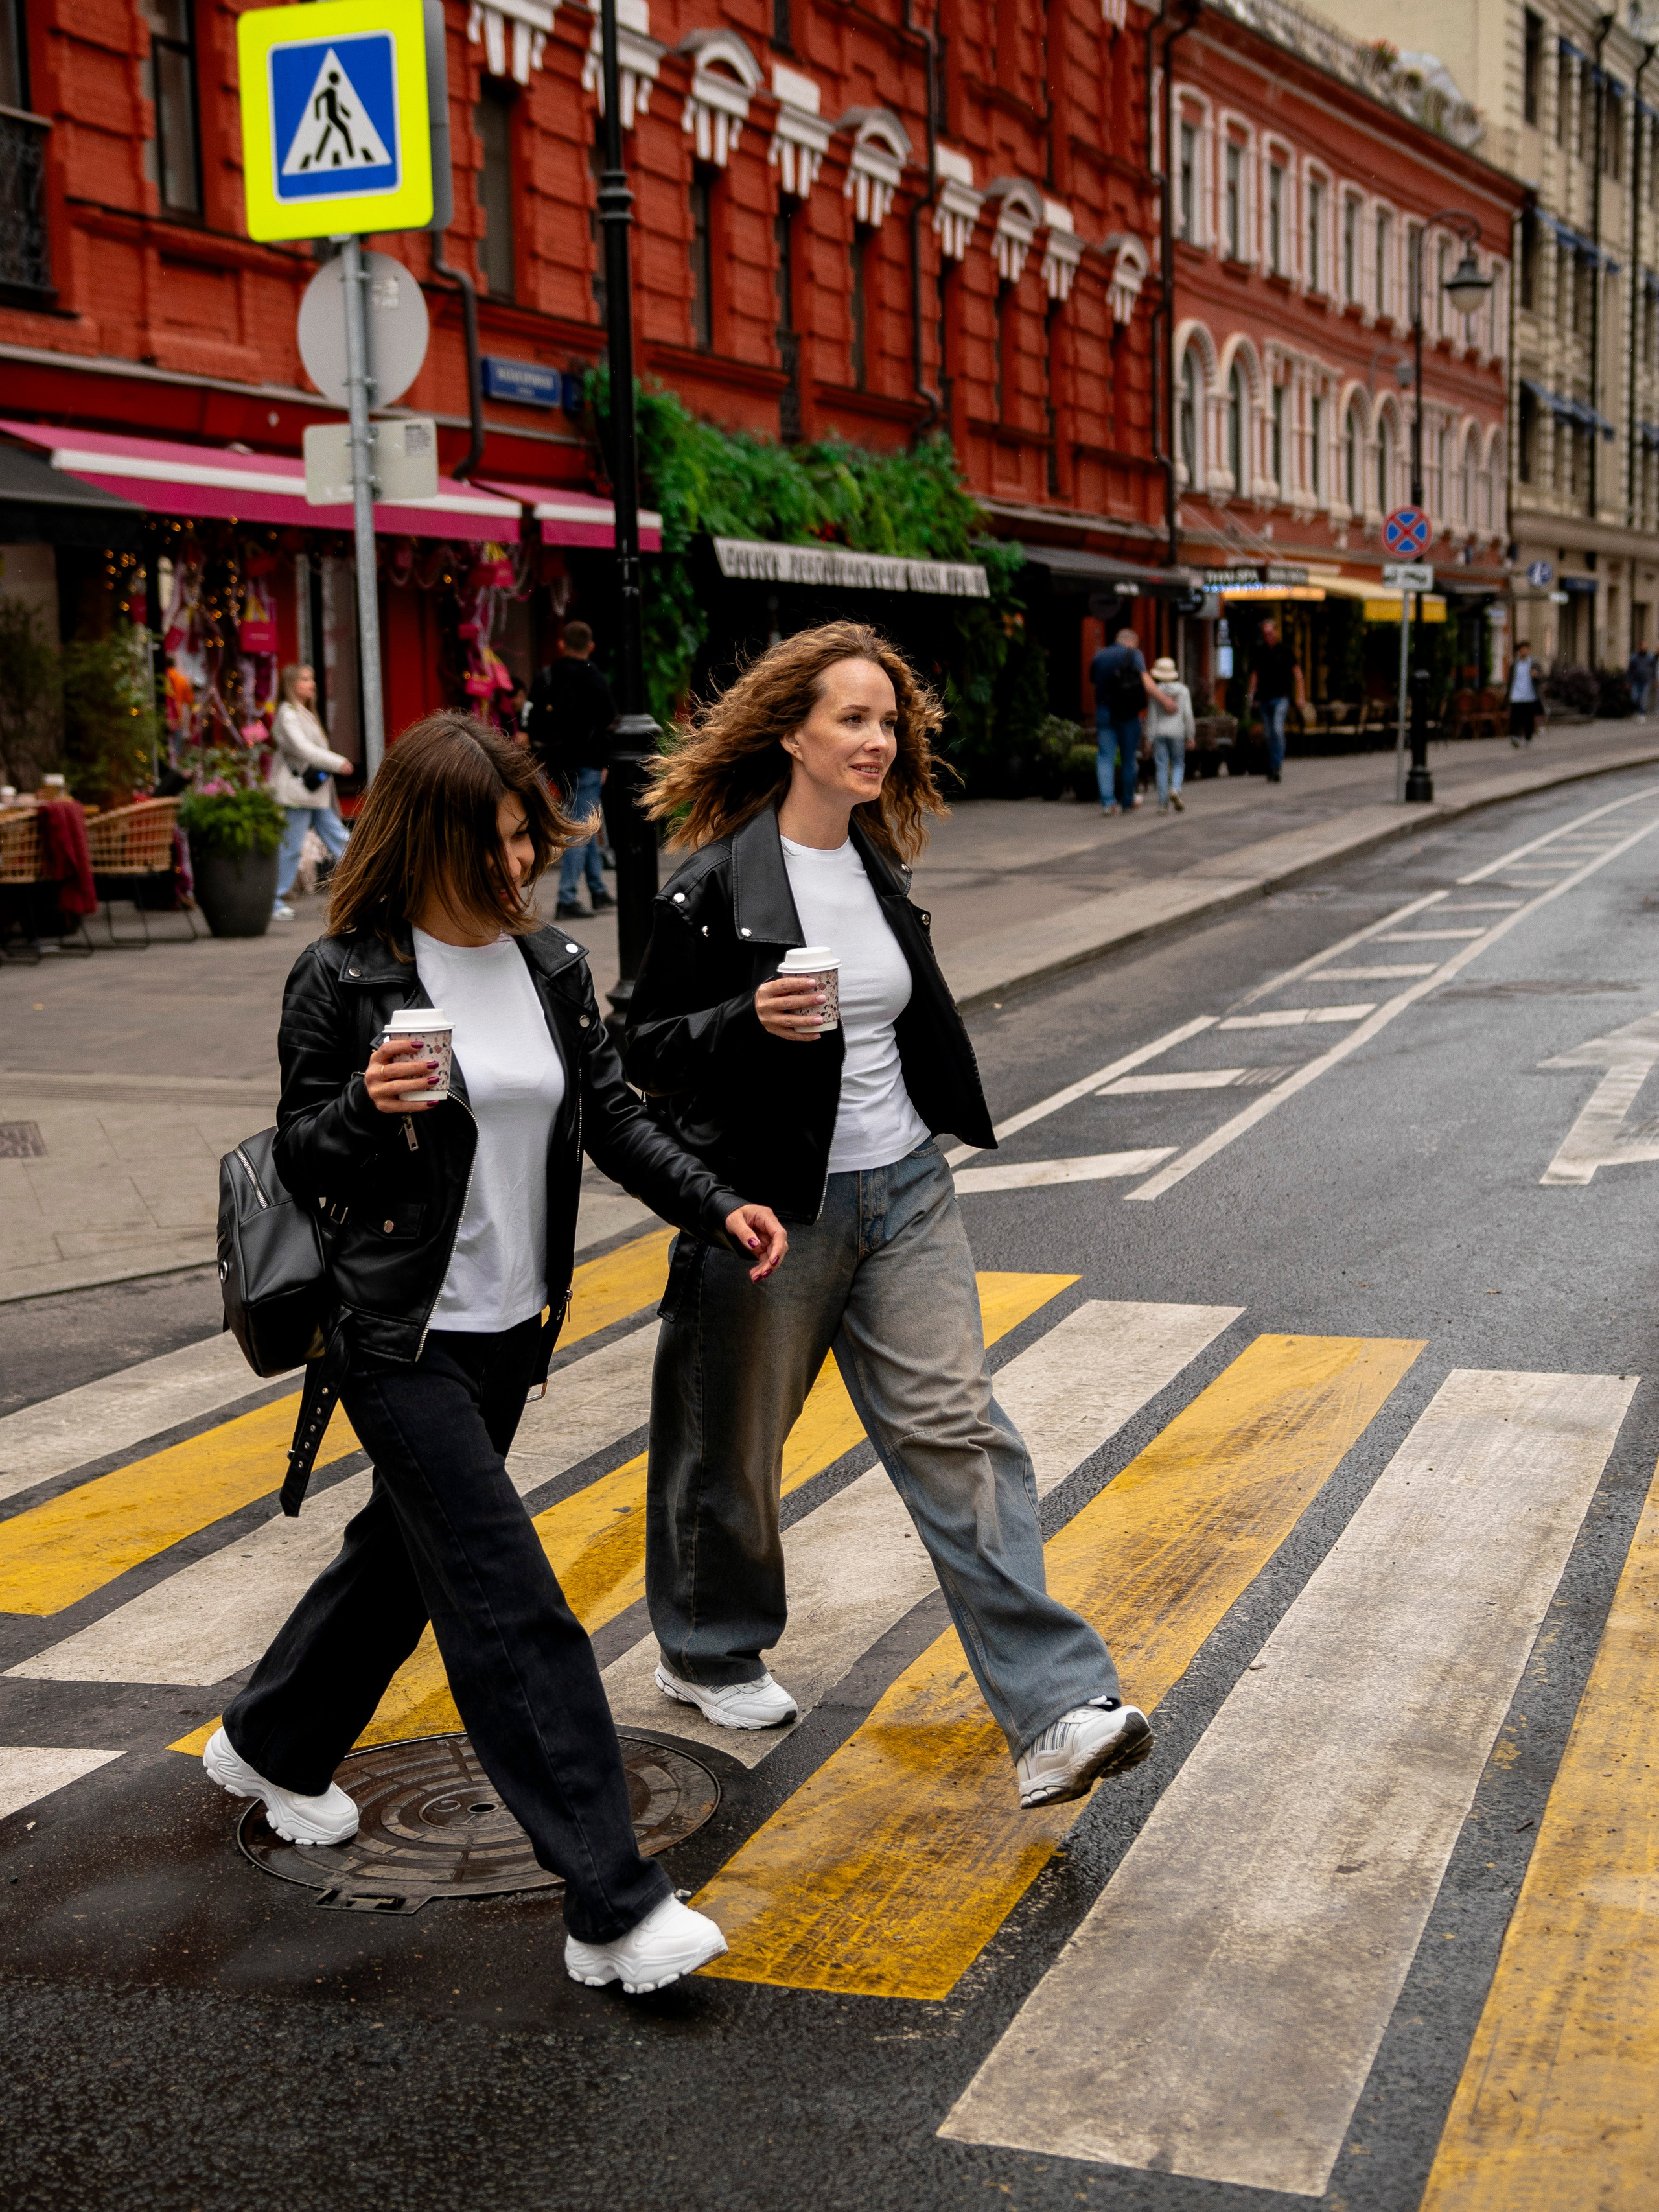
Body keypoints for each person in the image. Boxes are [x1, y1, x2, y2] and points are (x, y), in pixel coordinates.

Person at [203, 712, 788, 1995]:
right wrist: (365, 1106)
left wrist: (710, 1196)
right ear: (428, 838)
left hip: (511, 1330)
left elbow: (612, 1115)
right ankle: (611, 1899)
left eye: (530, 832)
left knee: (401, 1561)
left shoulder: (550, 963)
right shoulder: (345, 973)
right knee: (504, 1596)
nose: (522, 859)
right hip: (393, 1333)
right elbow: (301, 1153)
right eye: (499, 836)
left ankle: (270, 1736)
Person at [623, 620, 1152, 1812]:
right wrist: (747, 1019)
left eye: (888, 719)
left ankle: (1056, 1708)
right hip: (773, 1204)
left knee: (960, 1433)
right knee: (732, 1447)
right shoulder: (712, 889)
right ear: (792, 733)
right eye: (853, 718)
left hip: (905, 1186)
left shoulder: (875, 869)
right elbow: (639, 1055)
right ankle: (706, 1645)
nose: (878, 738)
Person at [528, 621, 616, 920]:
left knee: (586, 818)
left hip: (555, 763)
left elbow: (530, 719)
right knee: (582, 825)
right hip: (588, 762)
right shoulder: (595, 679)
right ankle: (567, 898)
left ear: (561, 644)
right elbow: (609, 724)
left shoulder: (547, 676)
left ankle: (598, 890)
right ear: (590, 647)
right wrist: (604, 762)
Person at [270, 664, 353, 923]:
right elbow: (303, 748)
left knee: (339, 838)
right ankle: (273, 900)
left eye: (312, 678)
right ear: (291, 684)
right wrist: (337, 763)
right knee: (294, 846)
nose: (311, 684)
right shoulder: (288, 713)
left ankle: (369, 881)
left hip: (310, 793)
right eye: (305, 679)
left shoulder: (302, 712)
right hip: (299, 793)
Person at [1088, 625, 1172, 815]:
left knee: (1105, 757)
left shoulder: (1099, 656)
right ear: (1132, 642)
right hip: (1127, 714)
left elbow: (1094, 681)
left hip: (1104, 712)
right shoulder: (1134, 654)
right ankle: (1127, 802)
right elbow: (1145, 680)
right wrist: (1164, 700)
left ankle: (1108, 803)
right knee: (1128, 758)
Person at [1244, 619, 1305, 783]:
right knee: (1269, 734)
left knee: (1277, 730)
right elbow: (1254, 675)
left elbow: (1298, 674)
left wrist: (1301, 696)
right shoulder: (1260, 652)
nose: (1268, 637)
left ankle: (1277, 765)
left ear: (1276, 632)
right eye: (1265, 634)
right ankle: (1272, 766)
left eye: (1270, 633)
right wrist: (1251, 696)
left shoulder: (1285, 651)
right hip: (1264, 698)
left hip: (1281, 697)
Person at [1145, 655, 1194, 813]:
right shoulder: (1183, 691)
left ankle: (1162, 804)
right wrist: (1191, 736)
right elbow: (1188, 715)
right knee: (1179, 763)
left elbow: (1152, 716)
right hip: (1178, 733)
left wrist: (1149, 737)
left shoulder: (1156, 692)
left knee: (1161, 767)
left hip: (1160, 733)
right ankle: (1175, 789)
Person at [1508, 642, 1540, 746]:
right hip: (1516, 695)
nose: (1524, 651)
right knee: (1516, 718)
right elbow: (1510, 679)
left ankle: (1528, 738)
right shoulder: (1514, 664)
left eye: (1526, 649)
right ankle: (1516, 737)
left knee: (1529, 719)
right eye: (1522, 649)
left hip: (1529, 695)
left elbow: (1541, 677)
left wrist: (1536, 676)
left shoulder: (1533, 663)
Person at [1627, 642, 1655, 721]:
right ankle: (1638, 710)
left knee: (1644, 698)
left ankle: (1642, 713)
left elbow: (1653, 669)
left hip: (1646, 680)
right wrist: (1628, 681)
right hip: (1636, 681)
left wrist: (1654, 679)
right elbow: (1630, 670)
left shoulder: (1650, 657)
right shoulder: (1634, 657)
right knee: (1635, 698)